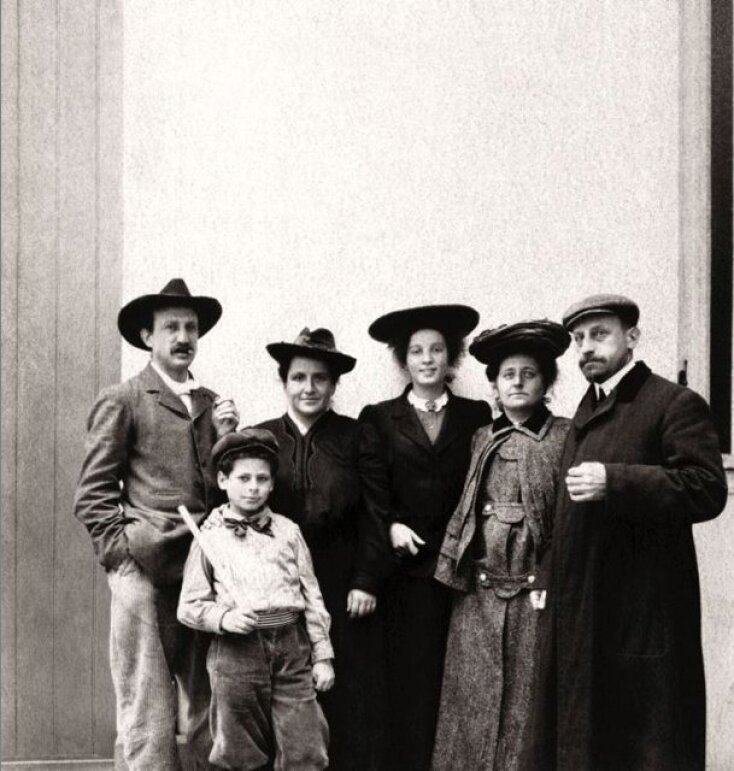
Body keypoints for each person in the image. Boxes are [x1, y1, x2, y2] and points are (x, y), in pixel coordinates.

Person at [524, 294, 728, 771]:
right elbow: (565, 515)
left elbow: (706, 489)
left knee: (641, 746)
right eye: (578, 340)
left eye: (600, 335)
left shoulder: (671, 402)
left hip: (641, 614)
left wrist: (616, 480)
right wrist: (547, 577)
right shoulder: (586, 410)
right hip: (580, 612)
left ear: (632, 338)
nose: (586, 349)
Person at [73, 278, 239, 770]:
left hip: (203, 573)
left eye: (190, 327)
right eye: (171, 327)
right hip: (144, 573)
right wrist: (122, 556)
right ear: (148, 337)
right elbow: (93, 494)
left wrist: (229, 437)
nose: (183, 337)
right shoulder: (124, 398)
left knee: (210, 698)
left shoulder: (212, 404)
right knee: (147, 706)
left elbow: (221, 490)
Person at [431, 320, 570, 771]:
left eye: (529, 373)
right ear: (493, 383)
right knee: (471, 709)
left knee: (528, 711)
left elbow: (572, 521)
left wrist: (550, 574)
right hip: (478, 599)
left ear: (546, 382)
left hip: (538, 600)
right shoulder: (479, 438)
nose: (517, 382)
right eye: (507, 374)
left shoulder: (566, 438)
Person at [359, 304, 492, 771]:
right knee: (408, 682)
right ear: (404, 360)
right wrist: (391, 524)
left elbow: (482, 485)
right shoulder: (379, 417)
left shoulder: (477, 414)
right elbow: (370, 490)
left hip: (460, 571)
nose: (427, 359)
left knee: (458, 682)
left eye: (437, 349)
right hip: (405, 573)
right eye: (417, 351)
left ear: (451, 357)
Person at [257, 327, 390, 771]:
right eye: (298, 378)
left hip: (341, 584)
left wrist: (367, 580)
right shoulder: (261, 438)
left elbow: (376, 513)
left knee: (348, 693)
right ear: (285, 382)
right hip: (277, 588)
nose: (308, 388)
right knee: (285, 694)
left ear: (334, 385)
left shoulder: (358, 437)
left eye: (319, 378)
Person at [178, 428, 334, 771]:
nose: (253, 487)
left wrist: (323, 656)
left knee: (306, 746)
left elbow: (312, 598)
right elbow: (189, 606)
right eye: (243, 478)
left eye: (262, 479)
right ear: (223, 480)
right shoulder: (209, 537)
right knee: (238, 751)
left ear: (272, 484)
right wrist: (222, 618)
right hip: (236, 652)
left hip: (292, 649)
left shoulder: (288, 531)